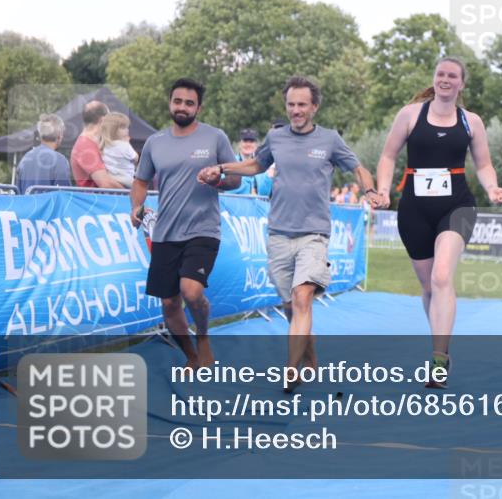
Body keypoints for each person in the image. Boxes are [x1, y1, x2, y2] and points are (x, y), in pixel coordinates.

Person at [201, 76, 379, 390]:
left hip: (314, 234)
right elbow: (256, 165)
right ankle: (309, 355)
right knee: (291, 307)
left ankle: (291, 370)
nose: (296, 110)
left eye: (302, 105)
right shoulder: (276, 137)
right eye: (291, 104)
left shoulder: (330, 139)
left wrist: (370, 190)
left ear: (314, 107)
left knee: (301, 298)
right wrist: (223, 168)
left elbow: (358, 168)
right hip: (279, 234)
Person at [375, 57, 502, 388]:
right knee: (428, 287)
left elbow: (484, 164)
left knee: (441, 275)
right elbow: (388, 155)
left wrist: (492, 188)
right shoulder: (410, 114)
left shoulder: (471, 121)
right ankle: (441, 347)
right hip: (414, 209)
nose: (445, 79)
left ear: (461, 83)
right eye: (440, 74)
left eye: (452, 75)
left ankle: (438, 359)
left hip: (457, 206)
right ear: (434, 78)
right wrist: (383, 190)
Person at [130, 78, 240, 368]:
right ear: (170, 103)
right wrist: (136, 207)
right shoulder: (155, 142)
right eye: (177, 101)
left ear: (198, 108)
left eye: (189, 103)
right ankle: (191, 357)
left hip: (203, 229)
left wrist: (218, 179)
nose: (182, 107)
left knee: (191, 291)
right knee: (169, 304)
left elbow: (236, 179)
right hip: (165, 232)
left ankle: (203, 339)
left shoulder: (215, 138)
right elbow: (140, 181)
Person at [71, 101, 123, 189]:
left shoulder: (92, 143)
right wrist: (131, 193)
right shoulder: (84, 146)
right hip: (95, 197)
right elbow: (105, 184)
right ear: (102, 120)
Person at [16, 114, 72, 193]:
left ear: (40, 136)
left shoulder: (25, 159)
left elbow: (18, 193)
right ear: (59, 136)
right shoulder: (60, 161)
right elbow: (64, 195)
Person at [99, 112, 138, 188]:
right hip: (127, 180)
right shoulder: (125, 145)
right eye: (123, 128)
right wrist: (128, 143)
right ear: (113, 130)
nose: (127, 130)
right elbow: (135, 158)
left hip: (112, 179)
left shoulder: (104, 146)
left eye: (127, 127)